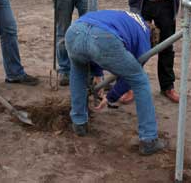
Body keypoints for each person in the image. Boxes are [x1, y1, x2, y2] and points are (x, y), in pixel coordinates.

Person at [65, 10, 164, 155]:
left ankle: (79, 122)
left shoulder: (130, 18)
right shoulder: (145, 38)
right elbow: (130, 77)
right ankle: (149, 139)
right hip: (102, 38)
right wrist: (111, 96)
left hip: (75, 30)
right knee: (140, 80)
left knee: (78, 71)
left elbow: (91, 37)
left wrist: (98, 75)